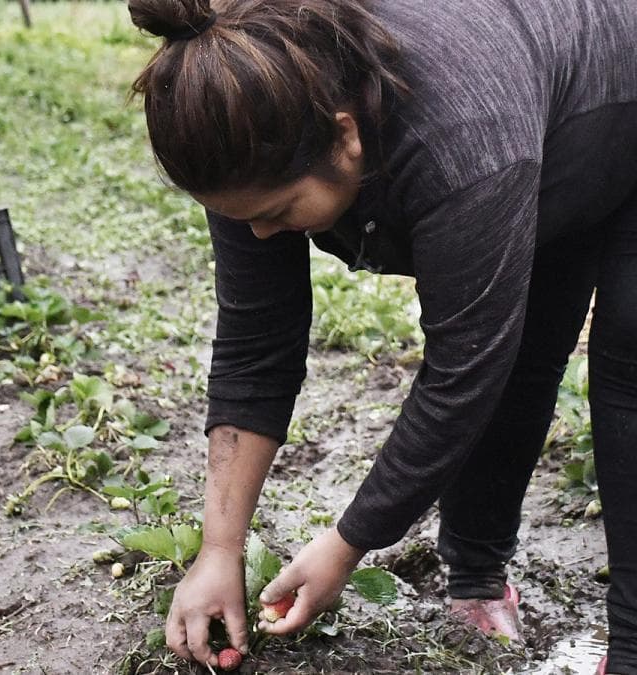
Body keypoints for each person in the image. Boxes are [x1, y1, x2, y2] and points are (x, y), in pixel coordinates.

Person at [124, 0, 637, 671]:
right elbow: (257, 346)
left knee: (628, 360)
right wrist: (219, 548)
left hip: (615, 89)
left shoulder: (461, 137)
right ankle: (477, 577)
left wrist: (345, 543)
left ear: (346, 137)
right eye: (241, 217)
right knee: (524, 354)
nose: (261, 234)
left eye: (279, 212)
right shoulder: (248, 134)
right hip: (537, 116)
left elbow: (461, 370)